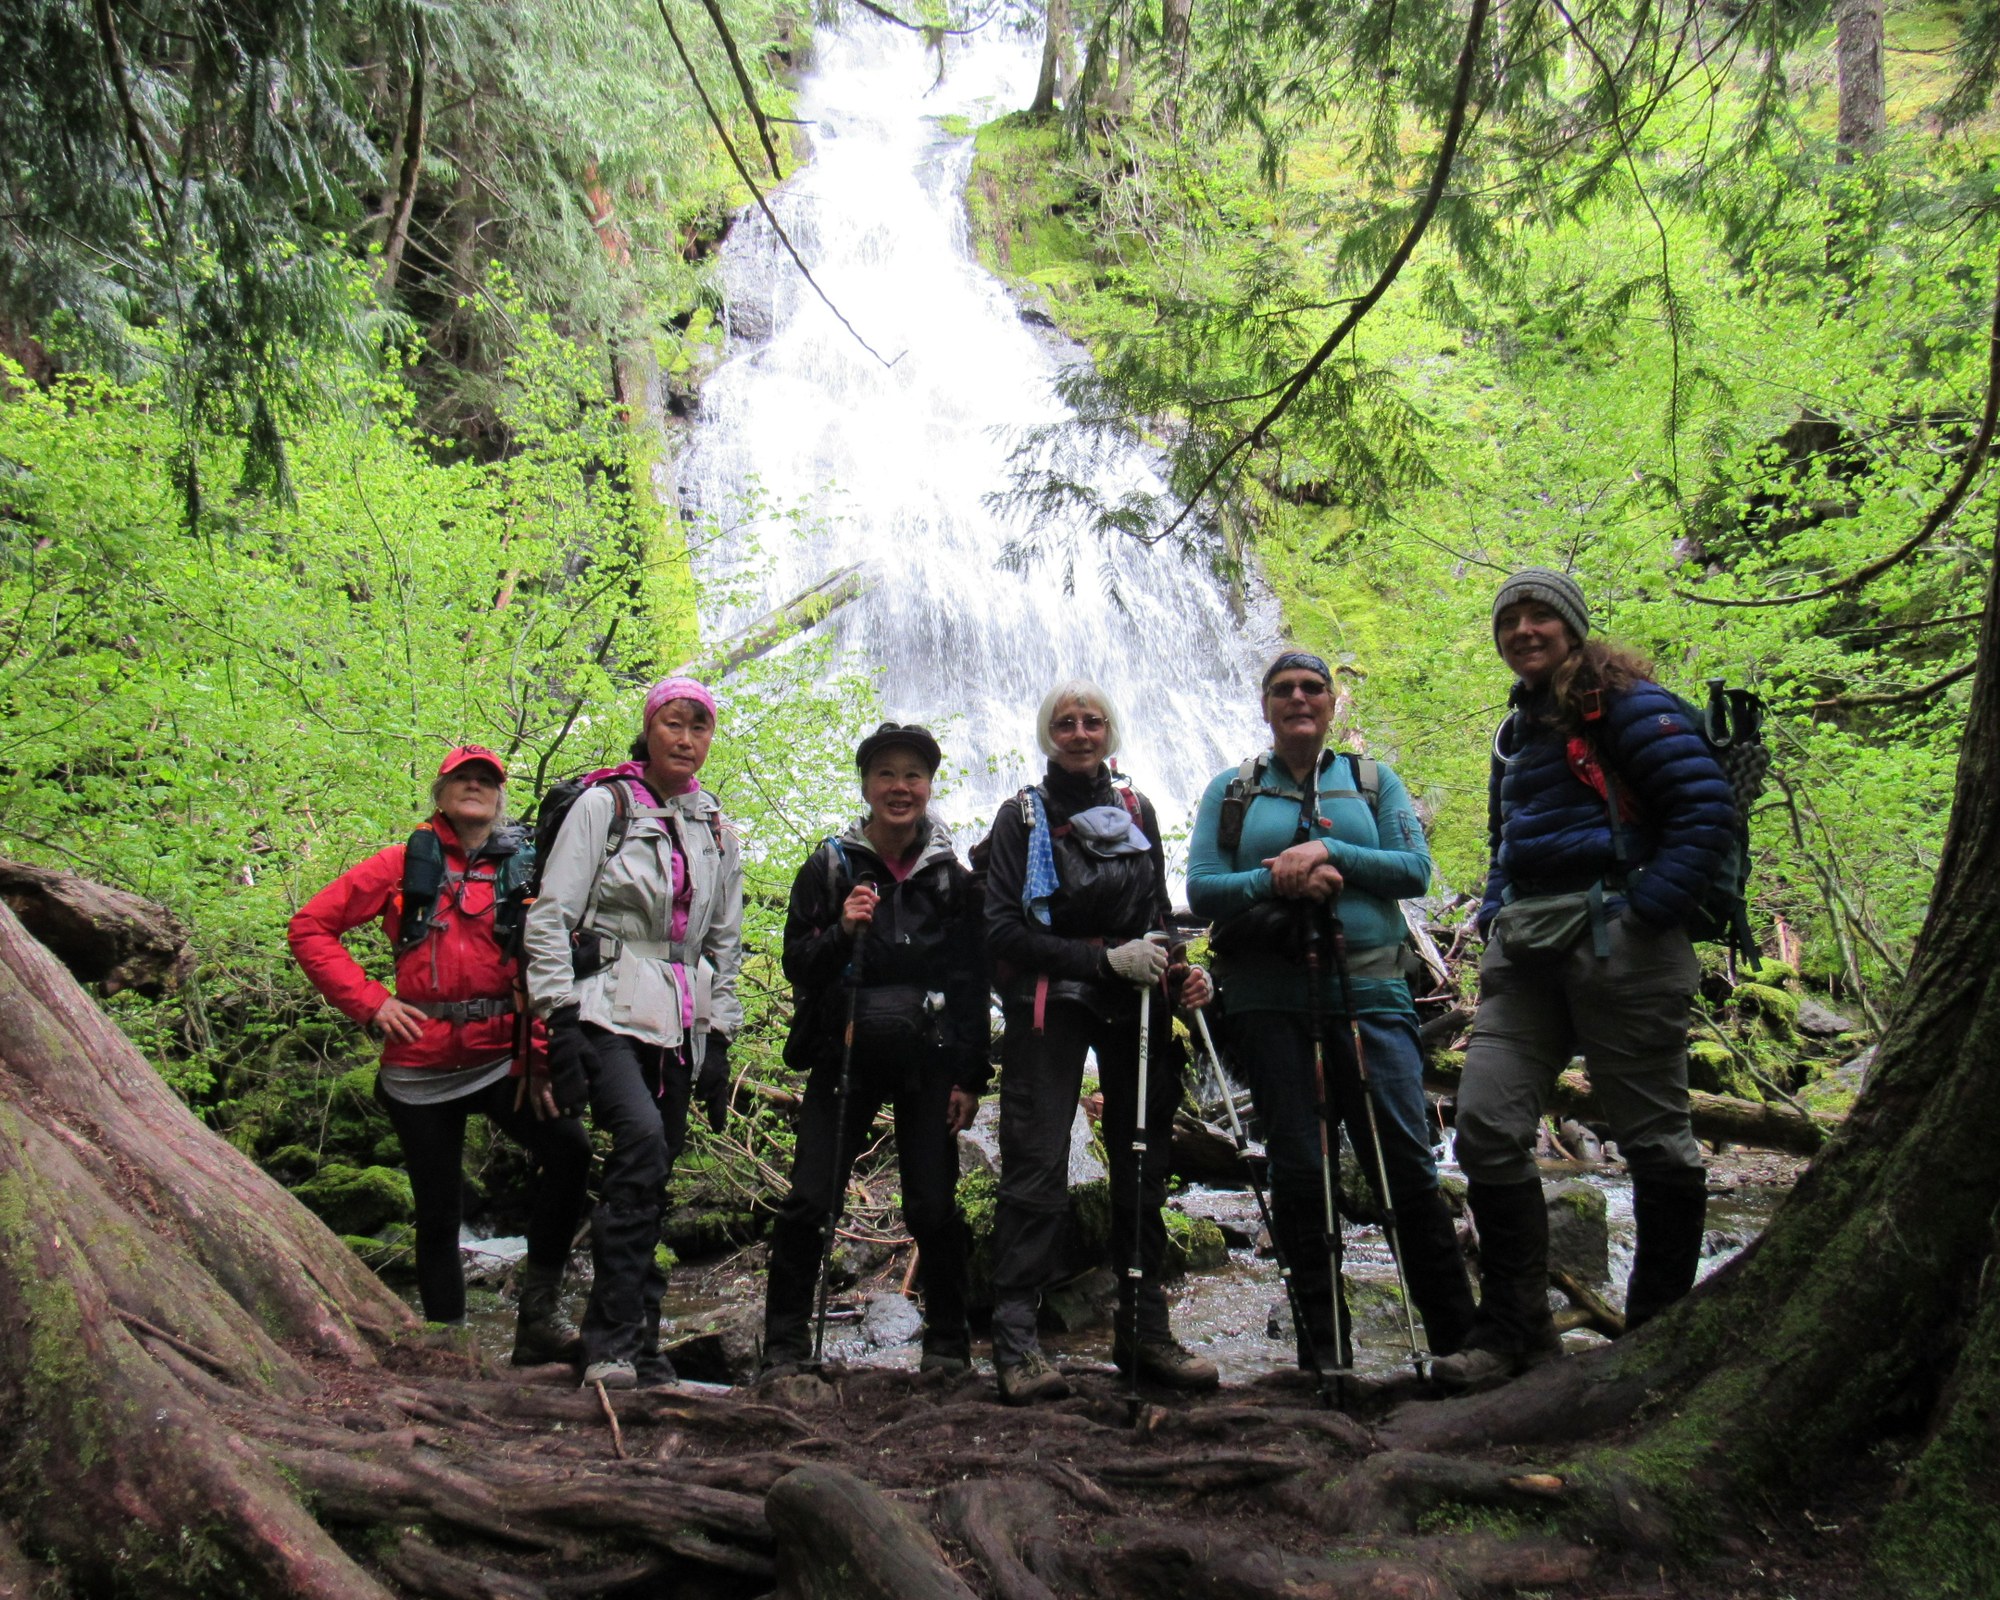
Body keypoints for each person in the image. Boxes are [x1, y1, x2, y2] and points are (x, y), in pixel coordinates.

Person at [1429, 569, 1736, 1393]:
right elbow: (1507, 839)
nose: (1523, 631)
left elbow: (1706, 809)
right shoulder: (1516, 729)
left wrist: (1646, 913)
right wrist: (1494, 912)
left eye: (1540, 617)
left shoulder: (1628, 704)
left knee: (1655, 1140)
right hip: (1526, 949)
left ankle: (1656, 1339)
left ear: (1571, 626)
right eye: (1510, 621)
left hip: (1621, 943)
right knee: (1485, 1125)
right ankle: (1519, 1333)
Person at [1186, 652, 1477, 1373]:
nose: (1299, 698)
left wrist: (1329, 851)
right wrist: (1278, 879)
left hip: (1371, 993)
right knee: (1295, 1165)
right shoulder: (1232, 789)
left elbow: (1414, 871)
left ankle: (1459, 1342)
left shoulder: (1373, 781)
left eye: (1312, 687)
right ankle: (1324, 1353)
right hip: (1268, 999)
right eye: (1283, 689)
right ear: (1265, 706)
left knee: (1402, 1156)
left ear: (1332, 700)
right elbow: (1201, 889)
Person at [289, 746, 590, 1361]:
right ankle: (450, 1348)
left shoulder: (526, 870)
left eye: (486, 780)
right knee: (437, 1208)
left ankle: (537, 1318)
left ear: (499, 797)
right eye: (462, 778)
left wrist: (538, 1058)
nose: (474, 786)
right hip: (419, 1062)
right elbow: (311, 927)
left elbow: (547, 964)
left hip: (502, 1056)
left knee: (570, 1151)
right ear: (441, 792)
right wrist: (372, 1003)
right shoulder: (401, 864)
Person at [982, 678, 1219, 1404]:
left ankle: (1144, 1331)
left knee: (1143, 1167)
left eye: (1092, 722)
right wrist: (1102, 961)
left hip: (1136, 1002)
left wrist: (1180, 971)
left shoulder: (1137, 808)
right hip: (1050, 1005)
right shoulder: (1022, 816)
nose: (1080, 733)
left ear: (1109, 731)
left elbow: (1156, 914)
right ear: (1047, 734)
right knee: (1036, 1166)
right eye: (1066, 723)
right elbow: (1001, 929)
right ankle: (1016, 1343)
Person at [523, 677, 744, 1391]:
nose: (686, 738)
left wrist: (721, 1036)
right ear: (649, 729)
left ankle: (641, 1347)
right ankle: (611, 1345)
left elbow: (725, 943)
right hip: (601, 1005)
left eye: (699, 727)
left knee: (657, 1166)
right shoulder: (604, 805)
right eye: (673, 723)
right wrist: (557, 1019)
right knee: (642, 1142)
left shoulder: (716, 827)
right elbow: (551, 916)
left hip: (677, 1018)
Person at [760, 723, 989, 1375]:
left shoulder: (951, 880)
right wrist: (841, 929)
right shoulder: (831, 865)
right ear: (865, 785)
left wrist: (970, 1077)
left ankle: (947, 1345)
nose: (900, 787)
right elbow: (798, 964)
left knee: (933, 1206)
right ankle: (783, 1347)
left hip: (928, 1059)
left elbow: (971, 983)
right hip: (845, 1054)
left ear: (929, 786)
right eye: (886, 773)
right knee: (811, 1201)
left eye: (913, 774)